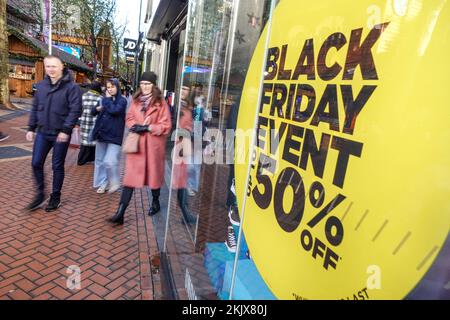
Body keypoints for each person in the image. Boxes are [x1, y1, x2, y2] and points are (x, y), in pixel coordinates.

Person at [109, 71, 171, 224]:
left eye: (148, 84)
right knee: (130, 179)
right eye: (143, 84)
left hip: (153, 148)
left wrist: (149, 128)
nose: (145, 87)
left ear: (154, 85)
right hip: (137, 147)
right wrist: (134, 126)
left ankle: (155, 202)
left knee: (153, 178)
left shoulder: (161, 103)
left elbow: (166, 126)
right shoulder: (136, 101)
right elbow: (129, 117)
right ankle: (120, 212)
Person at [25, 55, 82, 212]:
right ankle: (40, 194)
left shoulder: (72, 87)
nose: (51, 69)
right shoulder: (42, 86)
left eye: (54, 66)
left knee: (57, 165)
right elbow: (35, 107)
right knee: (36, 163)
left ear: (62, 66)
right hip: (43, 132)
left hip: (60, 134)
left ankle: (55, 197)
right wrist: (31, 127)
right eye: (48, 66)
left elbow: (76, 109)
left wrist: (66, 130)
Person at [91, 78, 127, 194]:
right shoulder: (103, 99)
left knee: (109, 161)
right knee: (100, 160)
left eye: (112, 87)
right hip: (102, 133)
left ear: (117, 87)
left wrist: (106, 100)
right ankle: (103, 182)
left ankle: (111, 181)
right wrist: (97, 108)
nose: (110, 89)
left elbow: (114, 110)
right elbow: (93, 111)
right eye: (108, 87)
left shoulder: (122, 100)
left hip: (114, 135)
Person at [172, 85, 197, 224]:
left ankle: (185, 212)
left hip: (184, 144)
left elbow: (189, 125)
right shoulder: (175, 106)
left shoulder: (188, 107)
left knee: (183, 177)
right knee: (182, 178)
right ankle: (185, 212)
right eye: (181, 88)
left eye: (185, 89)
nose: (182, 91)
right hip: (179, 145)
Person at [77, 81, 102, 165]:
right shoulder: (100, 98)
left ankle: (81, 159)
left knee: (84, 141)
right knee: (93, 141)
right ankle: (91, 158)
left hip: (84, 121)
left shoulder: (84, 96)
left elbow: (80, 108)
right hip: (94, 121)